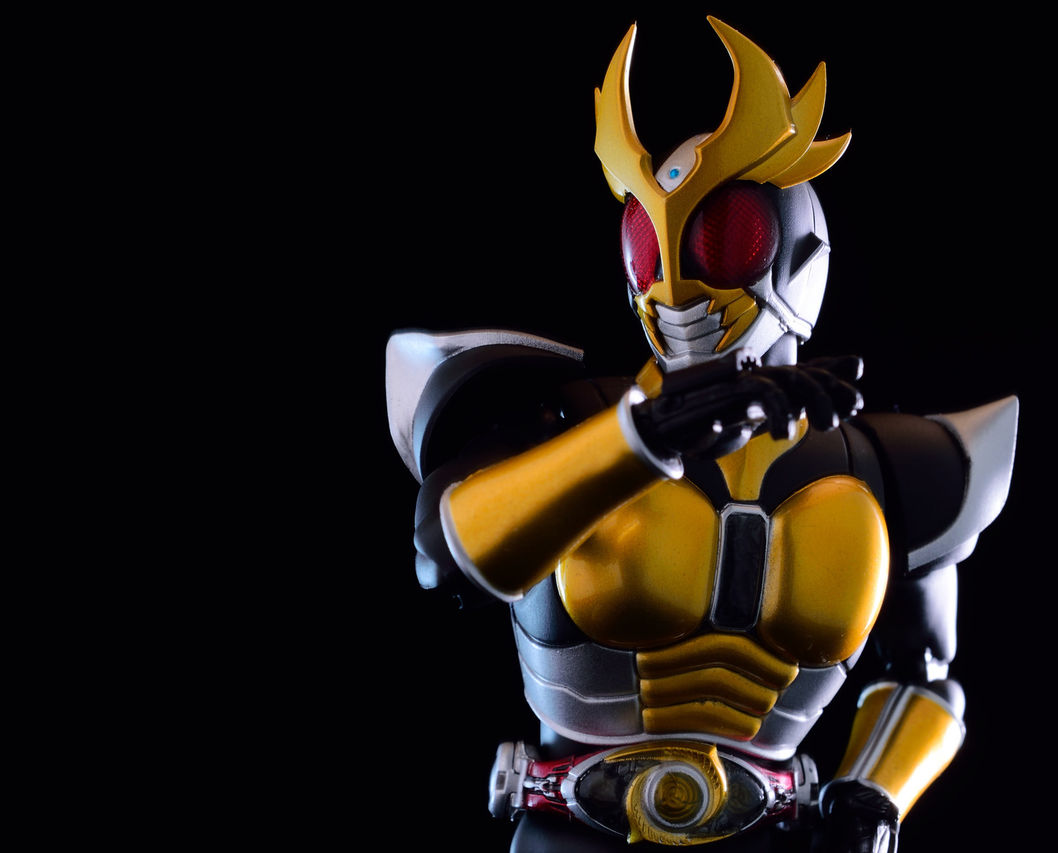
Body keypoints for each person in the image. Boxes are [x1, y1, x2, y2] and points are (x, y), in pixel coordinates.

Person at [386, 17, 1017, 852]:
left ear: (796, 253)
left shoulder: (891, 465)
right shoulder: (562, 418)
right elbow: (449, 550)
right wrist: (633, 441)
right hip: (573, 830)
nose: (676, 284)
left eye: (723, 240)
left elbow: (926, 679)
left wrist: (878, 790)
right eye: (649, 247)